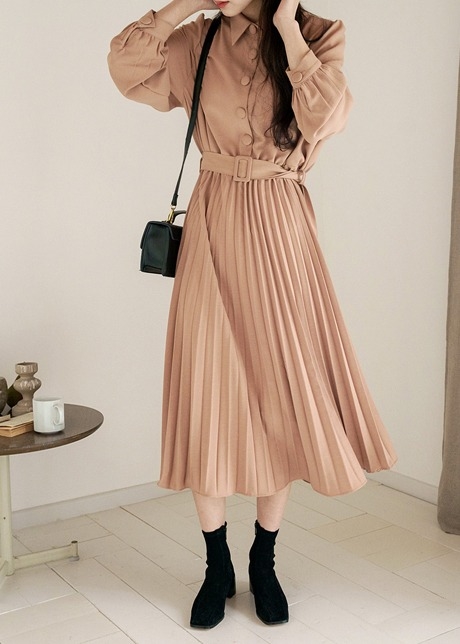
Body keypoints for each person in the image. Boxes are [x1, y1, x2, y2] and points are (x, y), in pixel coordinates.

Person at [108, 0, 397, 630]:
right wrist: (183, 6)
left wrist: (287, 27)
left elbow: (327, 116)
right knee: (207, 391)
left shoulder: (317, 34)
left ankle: (263, 561)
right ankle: (217, 566)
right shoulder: (197, 40)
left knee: (281, 395)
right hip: (212, 223)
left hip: (280, 227)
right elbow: (127, 69)